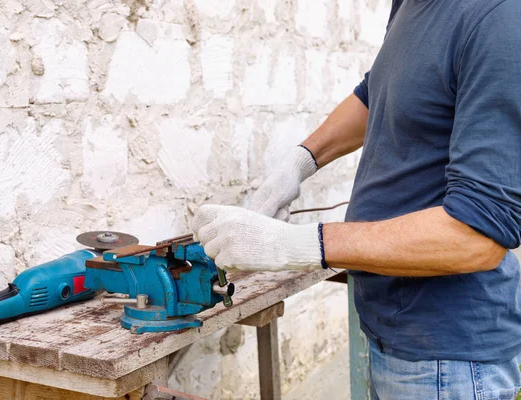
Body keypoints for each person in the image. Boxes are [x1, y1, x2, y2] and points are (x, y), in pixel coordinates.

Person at [191, 0, 521, 397]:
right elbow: (378, 91)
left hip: (448, 360)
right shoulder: (410, 5)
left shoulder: (497, 17)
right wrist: (298, 164)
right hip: (389, 334)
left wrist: (294, 243)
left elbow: (475, 237)